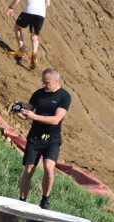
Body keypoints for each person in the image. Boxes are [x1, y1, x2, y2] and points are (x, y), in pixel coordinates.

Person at [15, 67, 71, 211]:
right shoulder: (38, 94)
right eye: (42, 82)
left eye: (46, 83)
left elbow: (56, 120)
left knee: (48, 168)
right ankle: (22, 200)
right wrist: (18, 111)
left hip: (52, 139)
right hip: (35, 137)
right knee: (28, 169)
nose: (43, 85)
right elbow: (26, 114)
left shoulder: (64, 96)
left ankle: (45, 200)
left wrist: (34, 117)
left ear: (56, 81)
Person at [5, 0, 50, 69]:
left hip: (29, 11)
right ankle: (34, 52)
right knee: (34, 36)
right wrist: (39, 10)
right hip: (41, 14)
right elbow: (48, 4)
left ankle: (21, 51)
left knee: (17, 27)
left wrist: (11, 7)